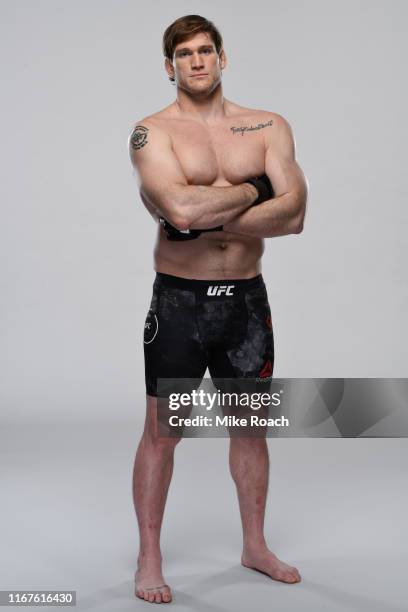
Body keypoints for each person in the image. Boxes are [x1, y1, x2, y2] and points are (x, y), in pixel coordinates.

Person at [128, 14, 308, 604]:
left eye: (206, 50)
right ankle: (149, 556)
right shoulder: (152, 133)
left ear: (223, 57)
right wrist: (258, 191)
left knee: (251, 429)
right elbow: (179, 211)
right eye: (185, 54)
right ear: (169, 66)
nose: (197, 61)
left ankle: (254, 545)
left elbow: (297, 215)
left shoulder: (267, 125)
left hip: (247, 305)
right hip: (181, 303)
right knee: (164, 431)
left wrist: (210, 210)